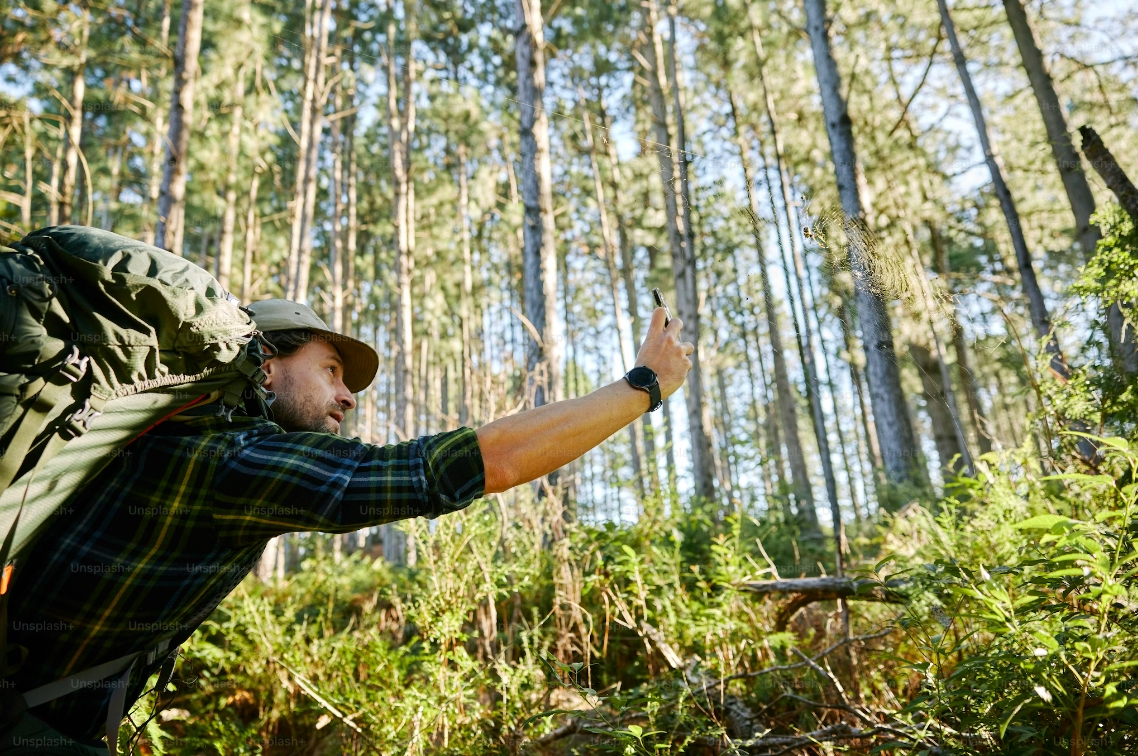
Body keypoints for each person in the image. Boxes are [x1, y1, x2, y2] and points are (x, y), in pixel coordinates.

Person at [0, 298, 693, 754]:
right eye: (330, 369)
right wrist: (639, 387)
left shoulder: (176, 441)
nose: (349, 395)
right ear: (265, 368)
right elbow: (455, 466)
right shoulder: (225, 458)